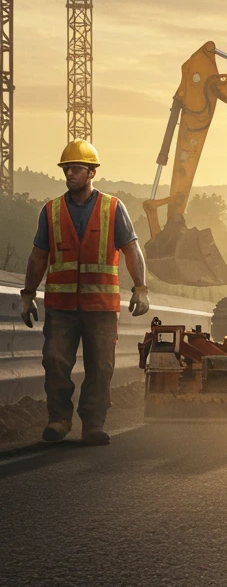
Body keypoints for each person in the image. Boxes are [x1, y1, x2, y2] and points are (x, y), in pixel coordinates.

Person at [19, 140, 151, 446]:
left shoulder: (113, 208)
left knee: (101, 366)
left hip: (101, 306)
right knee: (54, 361)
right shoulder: (50, 211)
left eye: (76, 168)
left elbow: (132, 249)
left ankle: (93, 423)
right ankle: (59, 419)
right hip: (61, 306)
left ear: (92, 172)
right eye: (67, 168)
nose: (70, 174)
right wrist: (28, 294)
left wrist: (141, 287)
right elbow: (38, 256)